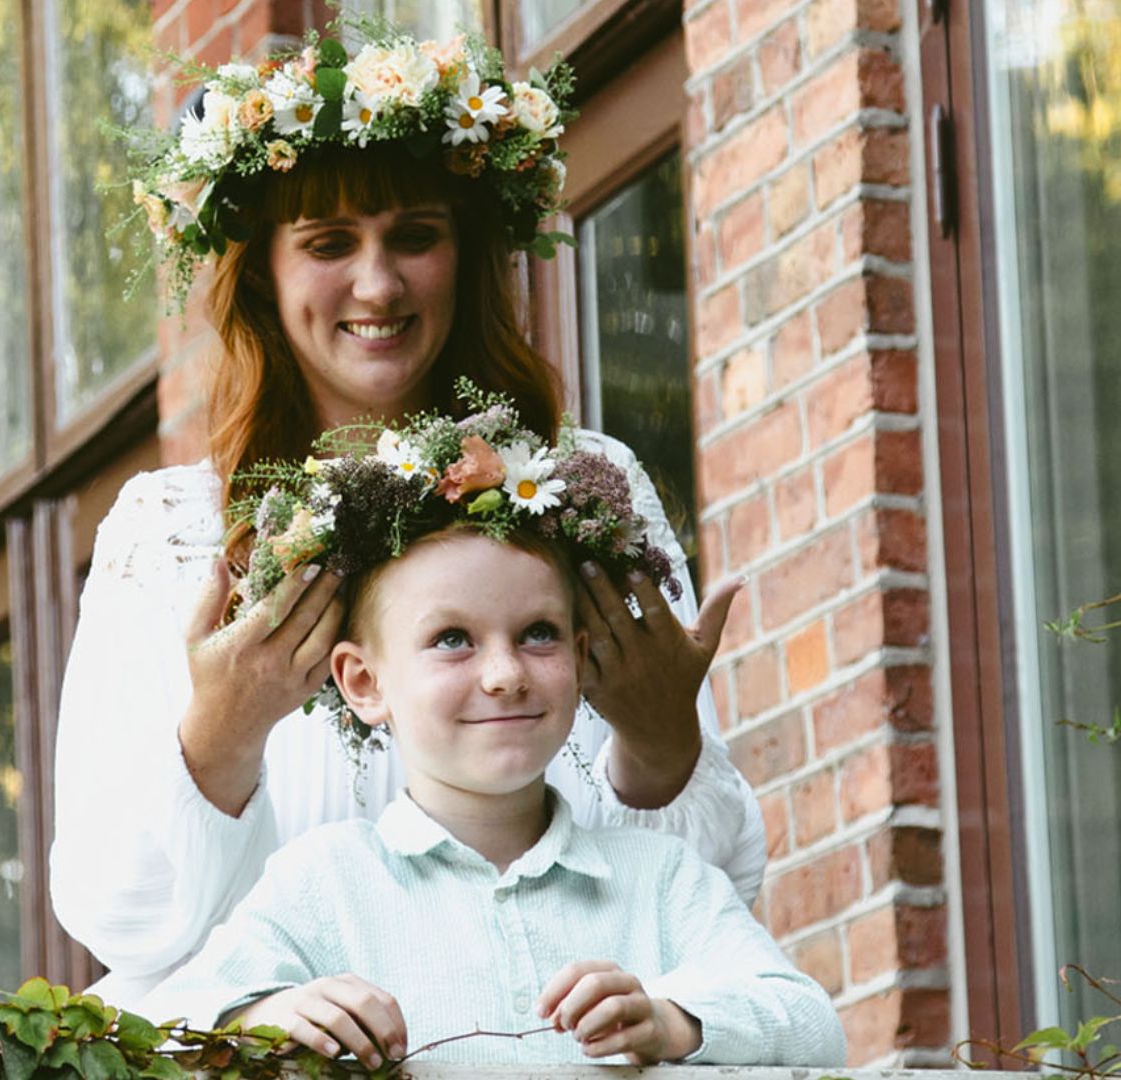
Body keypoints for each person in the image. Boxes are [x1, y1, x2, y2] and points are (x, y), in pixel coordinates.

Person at [50, 23, 764, 1003]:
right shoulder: (173, 537)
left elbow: (708, 904)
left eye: (415, 237)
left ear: (464, 253)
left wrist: (659, 745)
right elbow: (119, 923)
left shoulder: (579, 489)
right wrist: (220, 736)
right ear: (262, 270)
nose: (378, 284)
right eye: (330, 243)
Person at [138, 515, 845, 1068]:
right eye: (453, 639)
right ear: (363, 681)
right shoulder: (325, 882)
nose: (506, 674)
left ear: (579, 656)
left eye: (538, 633)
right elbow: (159, 1032)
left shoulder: (658, 880)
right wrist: (263, 1017)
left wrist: (670, 1021)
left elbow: (813, 1026)